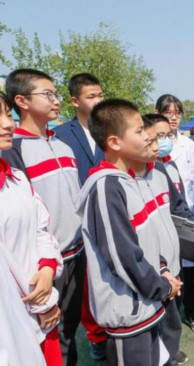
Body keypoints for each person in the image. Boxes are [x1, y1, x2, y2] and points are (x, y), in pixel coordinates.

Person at [76, 99, 182, 365]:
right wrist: (162, 286)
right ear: (114, 142)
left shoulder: (131, 180)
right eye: (138, 131)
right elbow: (122, 256)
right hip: (130, 312)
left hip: (150, 302)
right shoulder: (106, 186)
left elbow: (146, 240)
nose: (147, 136)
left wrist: (162, 270)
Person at [3, 68, 84, 366]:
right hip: (42, 267)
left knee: (69, 329)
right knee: (45, 335)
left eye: (56, 94)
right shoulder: (15, 149)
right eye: (47, 94)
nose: (56, 100)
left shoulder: (63, 144)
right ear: (21, 101)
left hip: (76, 253)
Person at [0, 91, 63, 365]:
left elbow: (41, 230)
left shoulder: (16, 179)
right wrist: (41, 303)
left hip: (40, 311)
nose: (8, 124)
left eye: (6, 114)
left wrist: (48, 268)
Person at [54, 72, 108, 360]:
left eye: (100, 94)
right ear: (75, 101)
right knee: (85, 286)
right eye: (91, 96)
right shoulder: (61, 136)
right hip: (77, 224)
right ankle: (95, 336)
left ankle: (109, 330)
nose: (98, 100)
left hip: (109, 219)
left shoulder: (111, 130)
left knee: (109, 280)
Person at [139, 115, 193, 365]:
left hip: (172, 255)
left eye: (166, 136)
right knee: (153, 310)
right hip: (149, 261)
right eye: (156, 137)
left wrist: (185, 230)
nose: (162, 142)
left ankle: (170, 351)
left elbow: (180, 206)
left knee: (173, 309)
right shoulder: (128, 177)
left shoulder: (163, 169)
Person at [156, 94, 194, 334]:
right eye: (168, 112)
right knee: (168, 269)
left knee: (190, 268)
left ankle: (193, 313)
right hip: (162, 219)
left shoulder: (189, 145)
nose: (173, 117)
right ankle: (170, 320)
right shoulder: (152, 146)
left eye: (177, 113)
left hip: (187, 216)